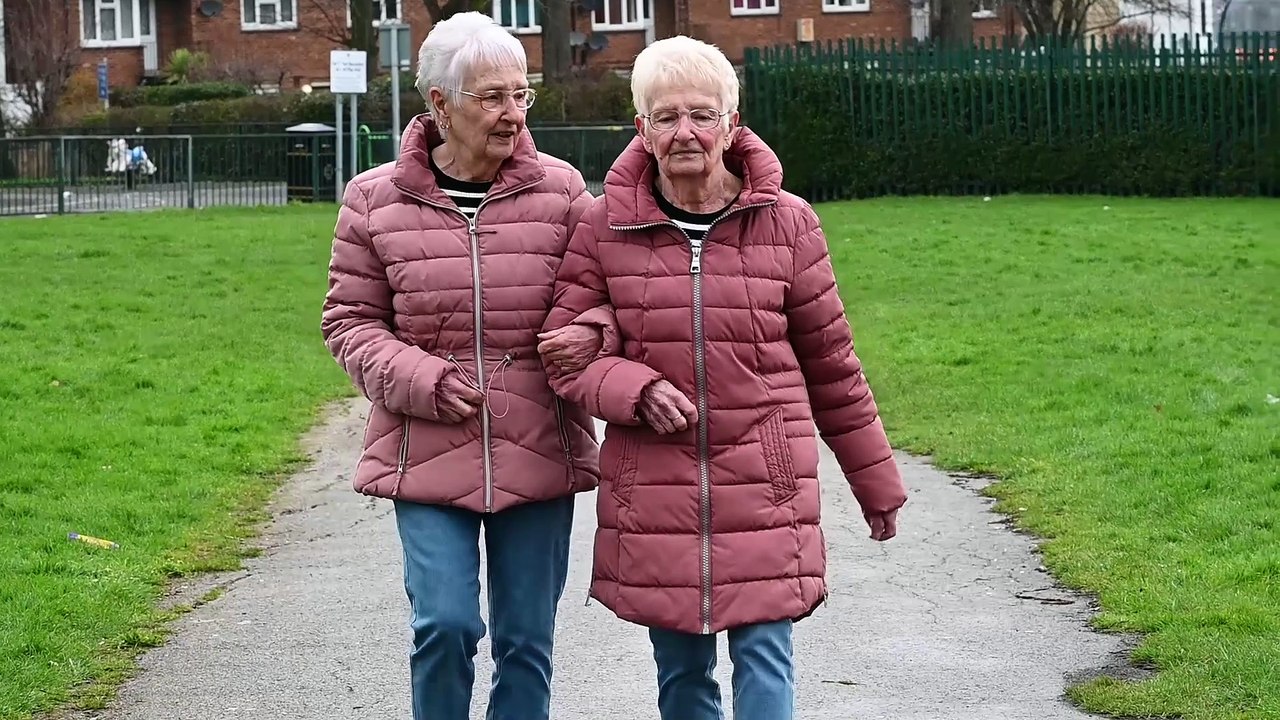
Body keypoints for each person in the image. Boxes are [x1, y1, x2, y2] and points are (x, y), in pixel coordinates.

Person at [539, 35, 908, 720]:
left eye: (703, 115)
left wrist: (875, 483)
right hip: (655, 486)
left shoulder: (789, 224)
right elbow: (567, 356)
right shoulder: (602, 229)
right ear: (641, 130)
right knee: (681, 674)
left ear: (732, 126)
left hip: (766, 482)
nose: (686, 132)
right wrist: (637, 391)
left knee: (765, 654)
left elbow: (834, 367)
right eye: (667, 116)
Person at [319, 12, 617, 720]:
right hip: (423, 445)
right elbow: (349, 322)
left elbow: (613, 294)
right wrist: (421, 378)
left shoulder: (563, 190)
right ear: (439, 105)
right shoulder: (373, 200)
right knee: (444, 625)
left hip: (539, 443)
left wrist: (592, 332)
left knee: (525, 641)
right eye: (492, 97)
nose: (513, 113)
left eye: (522, 94)